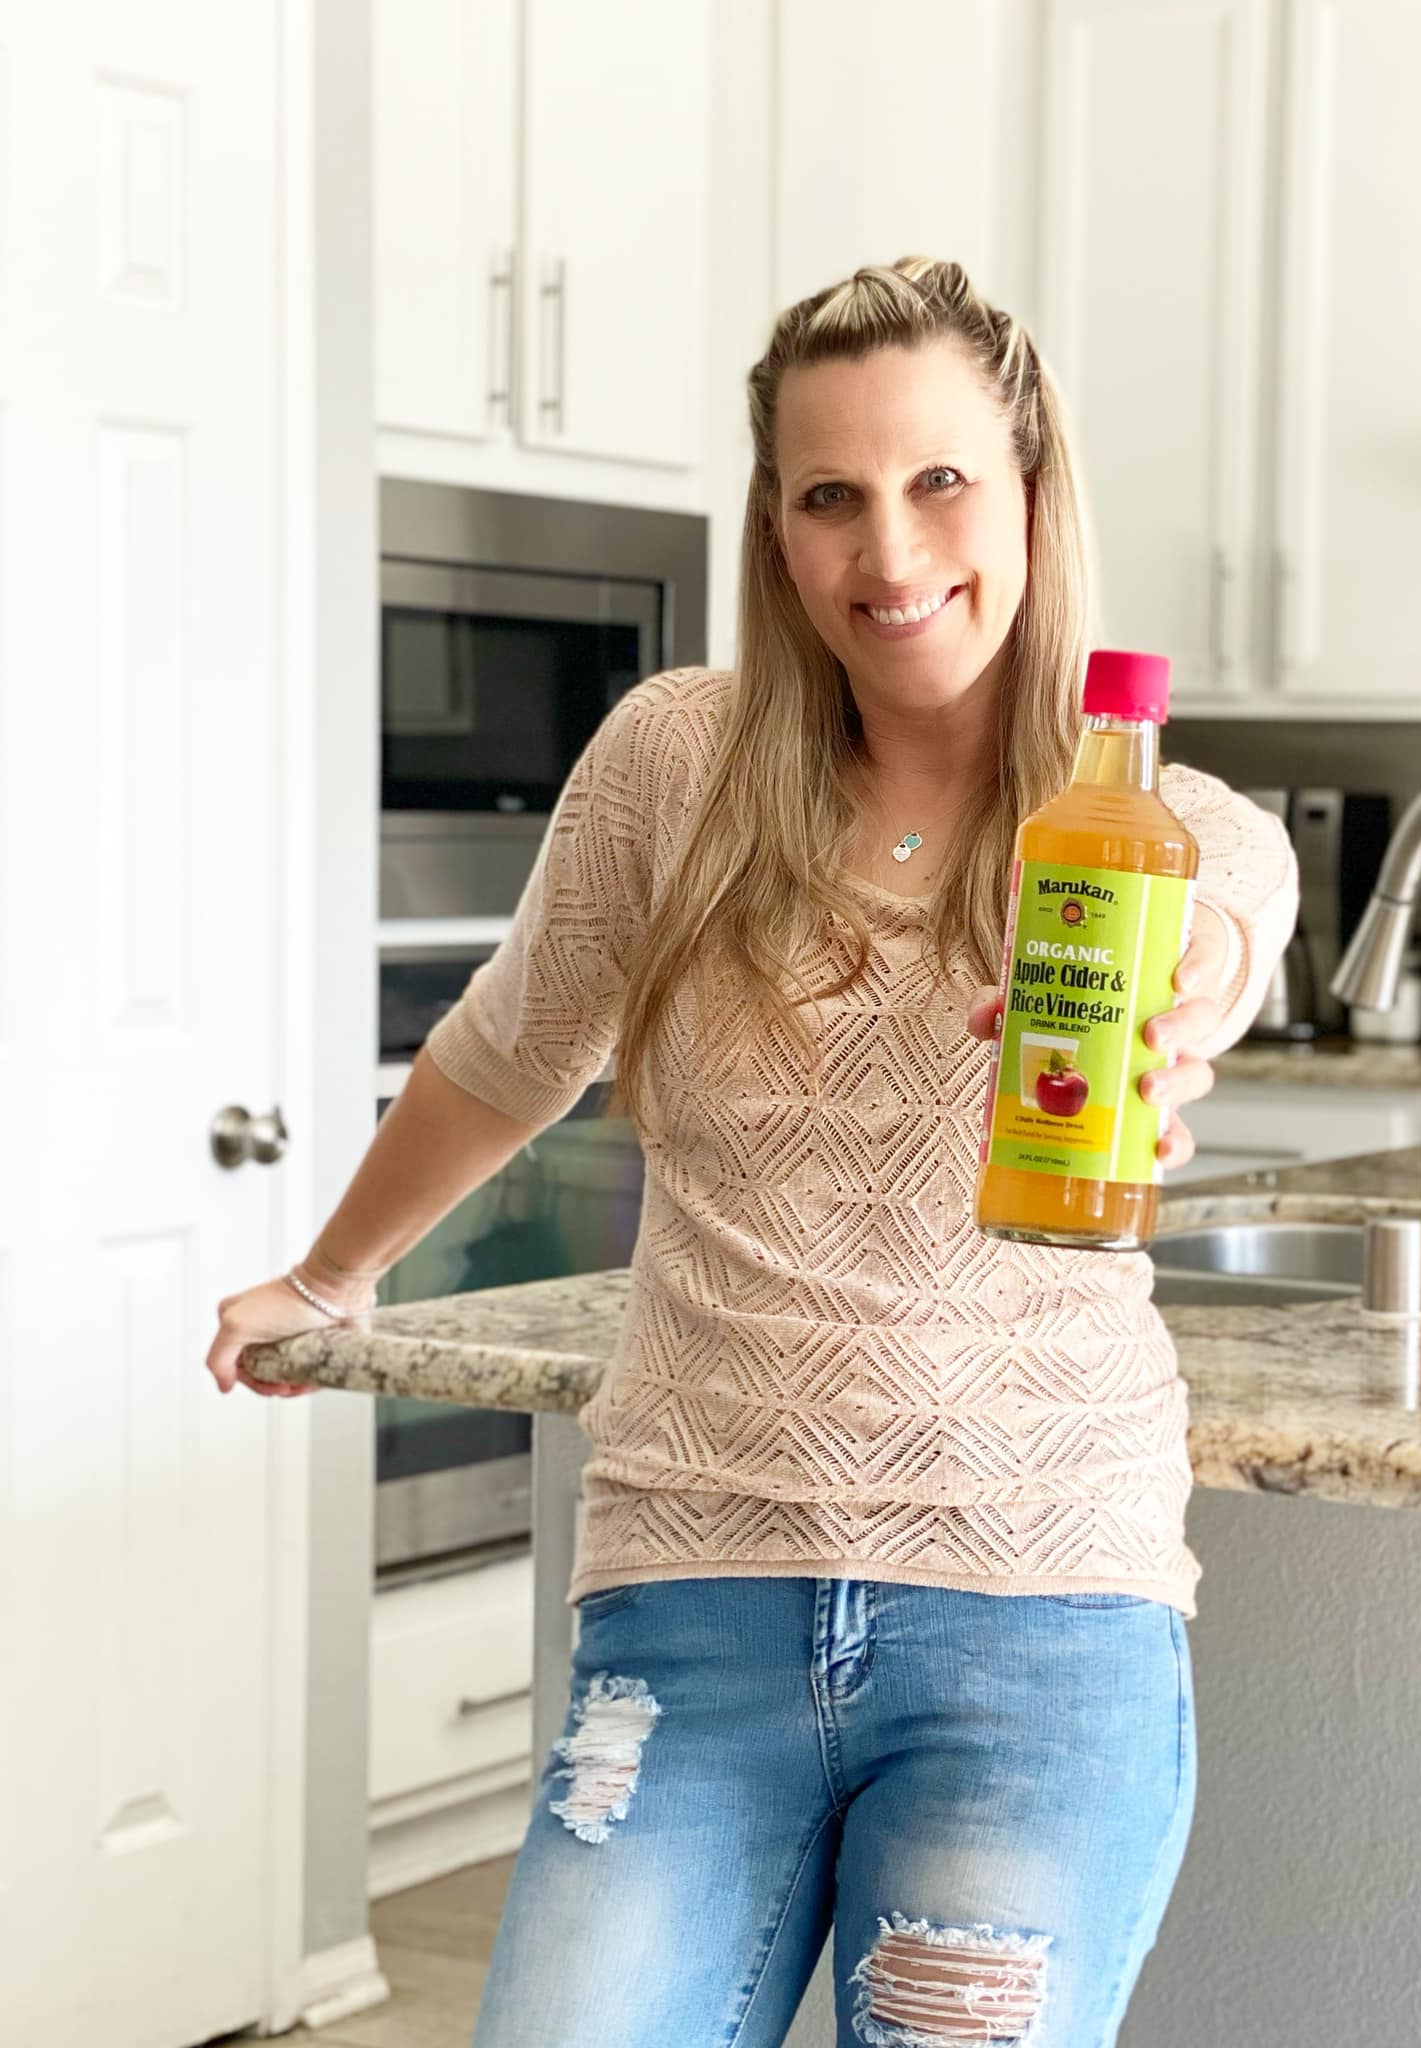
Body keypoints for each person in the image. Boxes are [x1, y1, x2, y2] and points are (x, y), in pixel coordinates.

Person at [208, 256, 1298, 2048]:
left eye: (940, 479)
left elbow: (1225, 938)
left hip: (1035, 1620)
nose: (891, 550)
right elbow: (510, 1046)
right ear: (775, 530)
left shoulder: (1158, 831)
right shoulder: (675, 763)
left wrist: (1181, 1000)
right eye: (830, 496)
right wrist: (332, 1274)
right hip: (691, 1611)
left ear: (1032, 492)